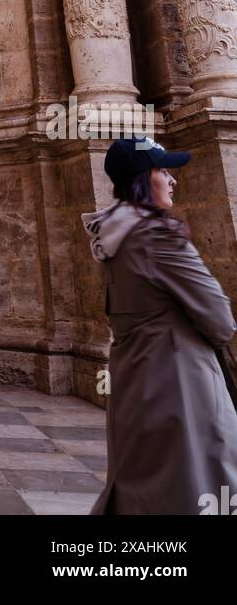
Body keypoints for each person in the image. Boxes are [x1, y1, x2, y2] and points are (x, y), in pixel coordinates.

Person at [82, 135, 237, 515]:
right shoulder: (157, 235)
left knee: (139, 485)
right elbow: (219, 319)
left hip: (134, 381)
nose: (172, 180)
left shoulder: (111, 237)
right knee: (197, 483)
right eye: (163, 170)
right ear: (141, 178)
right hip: (182, 382)